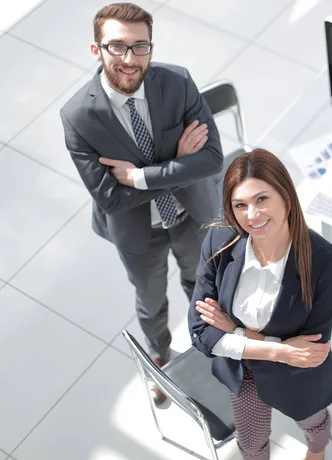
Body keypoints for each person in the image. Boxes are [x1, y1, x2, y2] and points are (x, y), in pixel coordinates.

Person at [60, 3, 223, 404]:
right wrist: (176, 165)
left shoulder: (178, 81)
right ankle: (159, 356)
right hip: (139, 232)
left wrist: (141, 174)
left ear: (151, 47)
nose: (130, 59)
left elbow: (213, 159)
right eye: (117, 47)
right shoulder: (79, 116)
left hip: (191, 217)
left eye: (140, 46)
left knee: (201, 284)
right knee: (150, 301)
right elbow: (112, 198)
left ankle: (214, 345)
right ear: (96, 50)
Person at [188, 149, 332, 460]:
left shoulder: (322, 259)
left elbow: (312, 351)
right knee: (252, 445)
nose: (252, 215)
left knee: (314, 422)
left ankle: (317, 452)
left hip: (296, 376)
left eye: (262, 199)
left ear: (285, 195)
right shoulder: (219, 241)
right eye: (239, 205)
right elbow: (201, 333)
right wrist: (278, 350)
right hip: (241, 372)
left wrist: (236, 333)